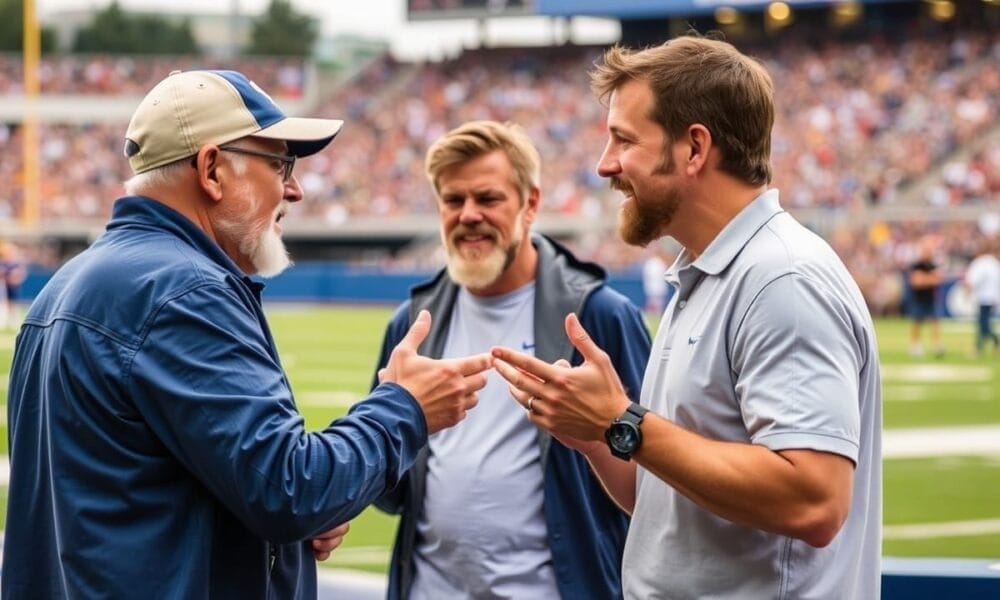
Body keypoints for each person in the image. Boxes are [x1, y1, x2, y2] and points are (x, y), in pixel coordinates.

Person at [2, 69, 493, 599]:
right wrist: (406, 407)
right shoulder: (185, 290)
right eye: (281, 162)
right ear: (212, 170)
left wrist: (280, 531)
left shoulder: (65, 286)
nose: (296, 188)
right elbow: (290, 490)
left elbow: (139, 495)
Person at [492, 36, 882, 599]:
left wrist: (622, 422)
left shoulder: (782, 280)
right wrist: (593, 433)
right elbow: (663, 499)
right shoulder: (707, 275)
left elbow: (814, 500)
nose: (605, 166)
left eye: (623, 140)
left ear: (694, 148)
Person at [371, 120, 651, 599]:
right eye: (453, 200)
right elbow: (387, 487)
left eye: (488, 198)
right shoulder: (412, 323)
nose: (469, 214)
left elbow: (658, 475)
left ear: (531, 204)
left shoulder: (599, 316)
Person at [908, 235, 946, 357]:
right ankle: (915, 346)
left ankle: (937, 345)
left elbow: (938, 279)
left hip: (931, 298)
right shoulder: (917, 265)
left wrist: (925, 279)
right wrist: (930, 279)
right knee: (917, 322)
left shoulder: (933, 265)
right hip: (919, 298)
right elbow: (916, 282)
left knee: (935, 322)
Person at [964, 238, 1000, 356]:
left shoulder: (980, 263)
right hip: (993, 297)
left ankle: (988, 343)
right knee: (983, 323)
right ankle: (979, 347)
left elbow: (973, 281)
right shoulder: (994, 262)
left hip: (983, 297)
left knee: (983, 324)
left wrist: (968, 292)